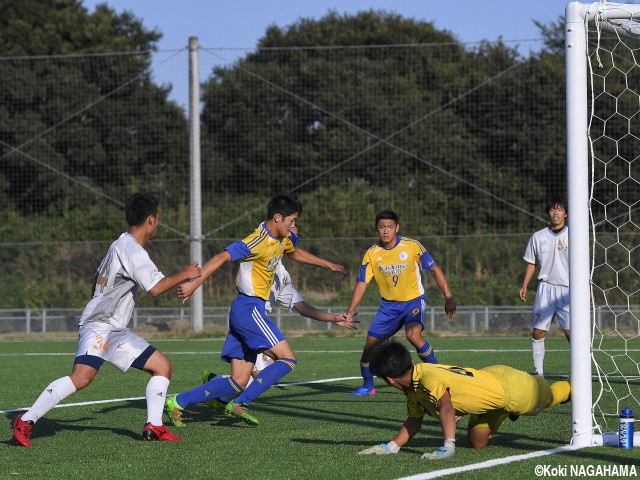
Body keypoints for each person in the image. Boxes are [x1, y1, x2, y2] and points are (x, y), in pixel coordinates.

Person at [10, 193, 202, 447]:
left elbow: (96, 279)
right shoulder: (132, 249)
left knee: (162, 367)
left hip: (115, 330)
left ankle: (154, 426)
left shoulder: (119, 244)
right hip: (101, 326)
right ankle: (25, 420)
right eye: (158, 219)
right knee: (81, 378)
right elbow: (155, 288)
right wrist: (187, 274)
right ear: (151, 220)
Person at [166, 193, 354, 427]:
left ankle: (178, 401)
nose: (294, 226)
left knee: (237, 381)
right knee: (288, 359)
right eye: (291, 221)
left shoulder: (281, 240)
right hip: (249, 308)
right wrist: (194, 284)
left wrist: (329, 264)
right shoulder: (258, 240)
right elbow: (222, 256)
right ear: (278, 218)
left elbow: (294, 252)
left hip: (242, 311)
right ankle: (240, 404)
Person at [201, 232, 360, 412]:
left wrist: (333, 318)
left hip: (258, 322)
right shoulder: (262, 249)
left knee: (250, 378)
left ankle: (217, 392)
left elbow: (302, 307)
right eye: (289, 224)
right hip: (248, 318)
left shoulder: (283, 277)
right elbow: (226, 256)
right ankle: (227, 398)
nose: (290, 231)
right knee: (268, 371)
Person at [357, 338, 571, 459]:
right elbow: (415, 419)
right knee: (477, 443)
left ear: (390, 379)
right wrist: (392, 446)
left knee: (548, 399)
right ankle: (505, 412)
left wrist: (448, 445)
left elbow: (446, 408)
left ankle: (569, 388)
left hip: (512, 389)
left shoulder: (428, 379)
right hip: (489, 383)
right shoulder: (413, 382)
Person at [347, 210, 456, 396]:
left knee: (413, 335)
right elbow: (362, 283)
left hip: (413, 302)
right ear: (377, 229)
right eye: (382, 227)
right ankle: (368, 385)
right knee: (369, 347)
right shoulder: (372, 254)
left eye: (390, 227)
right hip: (388, 308)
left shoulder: (412, 246)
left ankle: (439, 375)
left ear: (397, 227)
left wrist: (448, 297)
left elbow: (435, 269)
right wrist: (350, 309)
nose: (386, 231)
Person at [519, 197, 570, 377]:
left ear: (566, 213)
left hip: (568, 290)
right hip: (546, 289)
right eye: (552, 210)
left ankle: (579, 371)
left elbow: (582, 263)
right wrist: (525, 284)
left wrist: (587, 289)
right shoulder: (538, 237)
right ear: (548, 213)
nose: (555, 213)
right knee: (539, 331)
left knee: (572, 333)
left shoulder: (573, 235)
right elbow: (531, 263)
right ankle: (538, 372)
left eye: (559, 210)